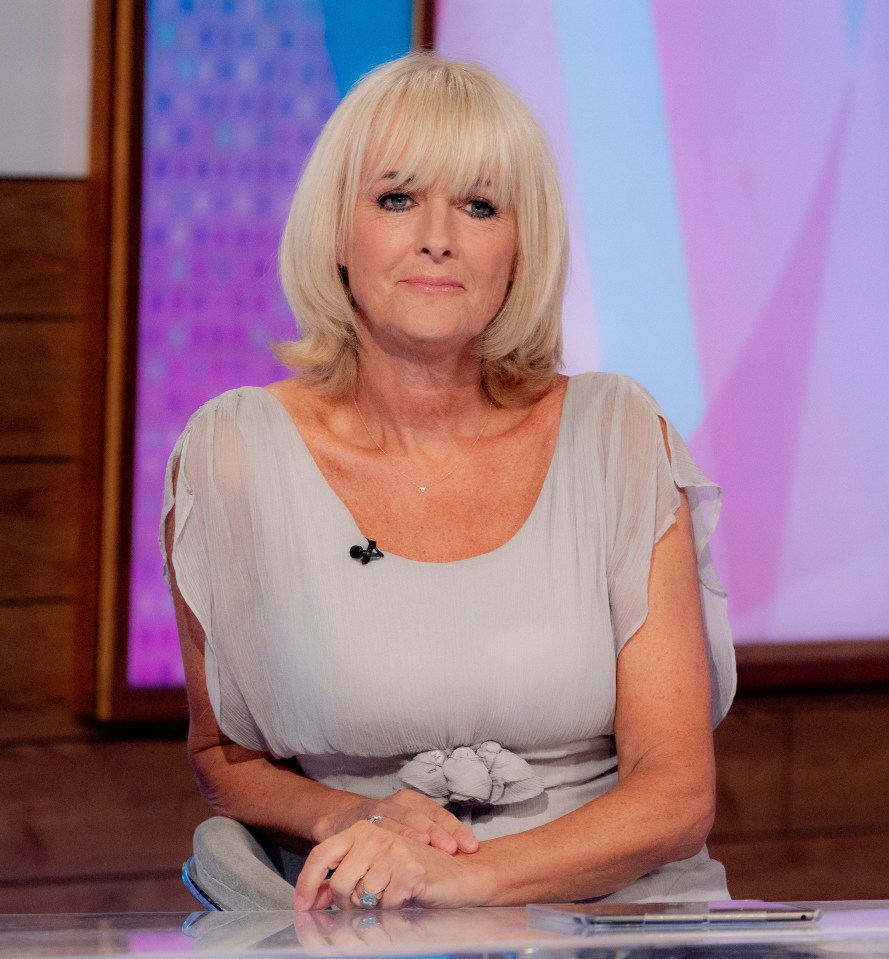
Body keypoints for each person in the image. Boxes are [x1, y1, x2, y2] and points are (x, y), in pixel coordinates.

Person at [161, 52, 735, 911]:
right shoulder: (232, 451)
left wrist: (464, 878)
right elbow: (226, 759)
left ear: (518, 247)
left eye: (478, 204)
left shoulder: (619, 435)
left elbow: (677, 794)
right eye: (397, 198)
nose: (438, 234)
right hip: (361, 920)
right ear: (337, 233)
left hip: (615, 918)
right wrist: (353, 818)